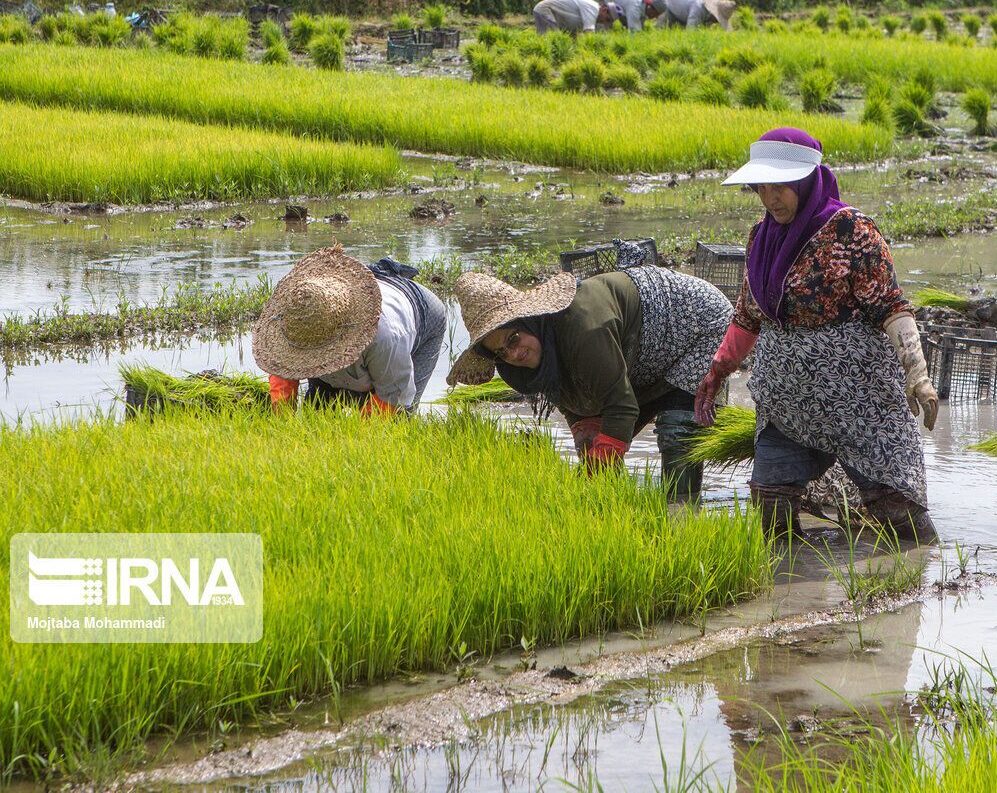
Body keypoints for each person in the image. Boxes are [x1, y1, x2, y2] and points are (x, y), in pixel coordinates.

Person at [694, 128, 940, 543]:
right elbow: (748, 316)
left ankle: (923, 579)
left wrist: (917, 375)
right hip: (787, 402)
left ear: (808, 181)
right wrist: (717, 372)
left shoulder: (851, 232)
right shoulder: (761, 238)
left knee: (899, 514)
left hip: (857, 402)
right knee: (770, 507)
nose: (772, 199)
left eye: (782, 187)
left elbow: (892, 307)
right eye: (763, 188)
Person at [447, 260, 731, 498]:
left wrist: (600, 464)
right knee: (596, 439)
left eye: (514, 338)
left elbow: (621, 405)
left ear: (529, 321)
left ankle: (682, 509)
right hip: (647, 347)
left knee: (677, 428)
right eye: (501, 352)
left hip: (696, 321)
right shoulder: (543, 352)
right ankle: (613, 503)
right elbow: (575, 400)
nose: (514, 353)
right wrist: (588, 441)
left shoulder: (584, 331)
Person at [253, 246, 447, 414]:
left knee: (399, 419)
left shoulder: (384, 338)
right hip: (352, 327)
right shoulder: (296, 322)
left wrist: (357, 441)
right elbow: (283, 376)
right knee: (318, 414)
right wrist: (284, 422)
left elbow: (394, 395)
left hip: (424, 315)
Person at [532, 0, 622, 35]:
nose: (604, 23)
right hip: (546, 10)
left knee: (557, 41)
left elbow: (573, 34)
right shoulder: (593, 8)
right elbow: (589, 33)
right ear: (604, 10)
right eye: (607, 19)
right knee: (552, 40)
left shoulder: (588, 15)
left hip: (554, 15)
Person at [656, 0, 734, 30]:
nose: (717, 22)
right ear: (714, 14)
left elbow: (702, 30)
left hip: (682, 12)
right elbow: (690, 31)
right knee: (660, 31)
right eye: (719, 19)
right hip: (668, 4)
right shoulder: (698, 7)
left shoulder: (708, 14)